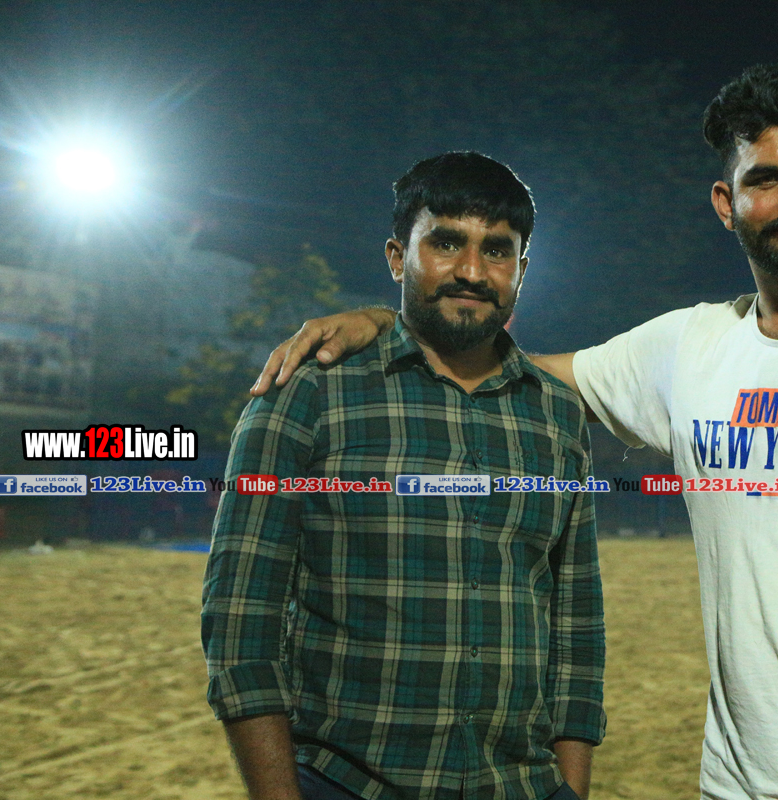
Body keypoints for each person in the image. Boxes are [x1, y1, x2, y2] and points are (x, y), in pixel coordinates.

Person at [251, 63, 778, 798]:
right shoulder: (688, 346)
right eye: (766, 178)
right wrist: (384, 321)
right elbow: (500, 368)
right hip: (736, 784)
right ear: (726, 203)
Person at [203, 151, 605, 800]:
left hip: (525, 785)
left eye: (496, 250)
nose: (471, 270)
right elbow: (240, 622)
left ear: (521, 270)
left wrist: (571, 789)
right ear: (397, 257)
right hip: (348, 783)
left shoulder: (557, 414)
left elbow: (577, 626)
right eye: (445, 243)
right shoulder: (307, 392)